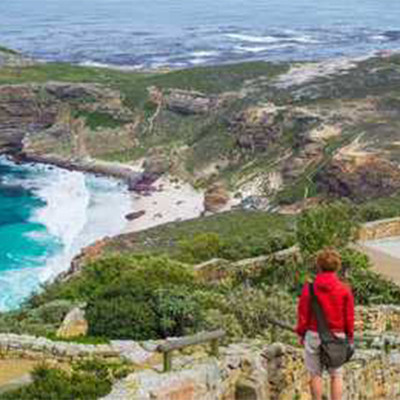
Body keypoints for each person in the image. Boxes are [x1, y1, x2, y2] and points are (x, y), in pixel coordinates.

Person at [296, 247, 354, 400]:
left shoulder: (309, 288)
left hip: (313, 334)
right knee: (336, 375)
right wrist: (350, 337)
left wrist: (301, 333)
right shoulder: (344, 289)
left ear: (319, 266)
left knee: (315, 374)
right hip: (336, 336)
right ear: (337, 267)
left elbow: (303, 313)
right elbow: (349, 317)